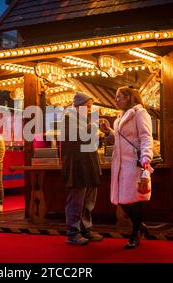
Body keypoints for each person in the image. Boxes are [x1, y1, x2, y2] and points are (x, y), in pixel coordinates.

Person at [100, 87, 153, 249]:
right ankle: (141, 227)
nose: (116, 100)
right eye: (116, 97)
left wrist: (146, 159)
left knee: (135, 199)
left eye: (119, 97)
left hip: (135, 163)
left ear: (129, 97)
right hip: (121, 164)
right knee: (123, 200)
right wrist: (108, 132)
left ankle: (135, 234)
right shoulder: (120, 117)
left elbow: (145, 137)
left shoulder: (139, 113)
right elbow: (119, 140)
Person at [60, 92, 104, 245]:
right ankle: (73, 232)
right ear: (78, 106)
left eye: (91, 106)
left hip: (89, 164)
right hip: (77, 166)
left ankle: (86, 229)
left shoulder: (84, 120)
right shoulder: (67, 119)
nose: (90, 109)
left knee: (88, 202)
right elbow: (77, 139)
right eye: (88, 106)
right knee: (76, 201)